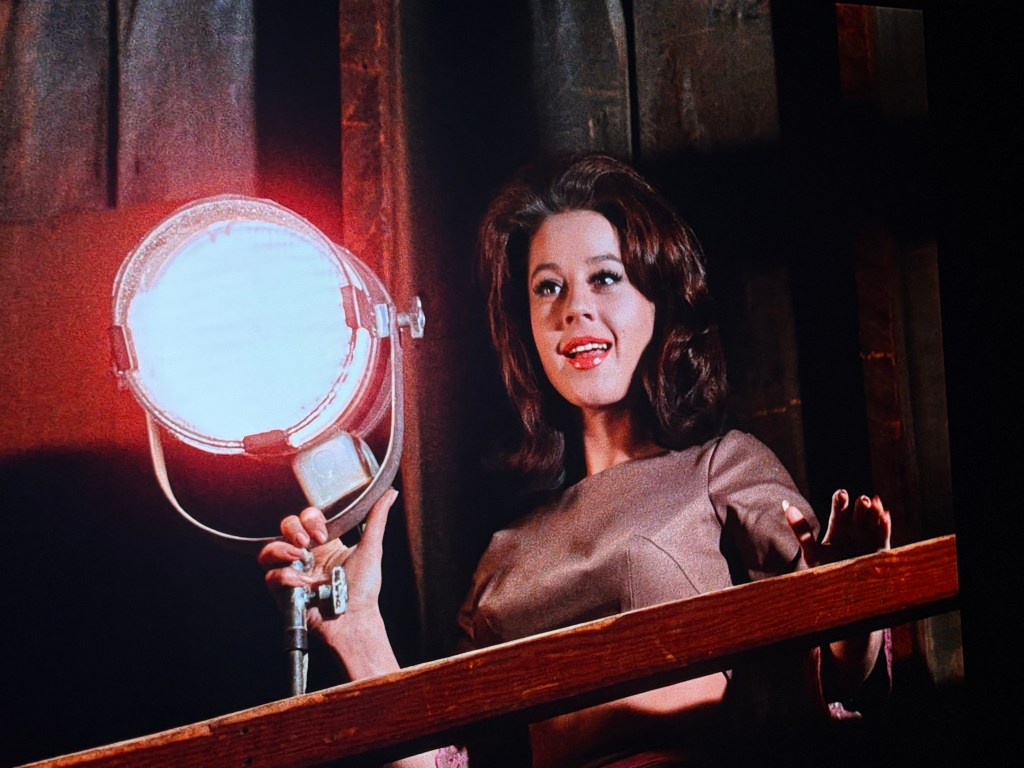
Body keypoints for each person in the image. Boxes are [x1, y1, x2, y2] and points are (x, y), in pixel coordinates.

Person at [258, 154, 891, 767]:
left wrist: (853, 599)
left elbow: (838, 671)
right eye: (548, 288)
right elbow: (448, 763)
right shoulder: (503, 554)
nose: (573, 308)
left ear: (659, 299)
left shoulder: (720, 467)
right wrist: (360, 625)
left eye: (605, 277)